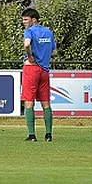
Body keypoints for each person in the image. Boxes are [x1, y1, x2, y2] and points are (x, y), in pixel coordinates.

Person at [20, 8, 56, 142]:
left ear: (34, 20)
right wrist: (44, 53)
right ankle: (48, 135)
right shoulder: (48, 32)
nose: (24, 22)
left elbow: (27, 44)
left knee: (29, 102)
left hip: (32, 69)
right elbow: (54, 52)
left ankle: (32, 135)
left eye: (26, 19)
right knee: (46, 103)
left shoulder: (29, 31)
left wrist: (29, 56)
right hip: (45, 71)